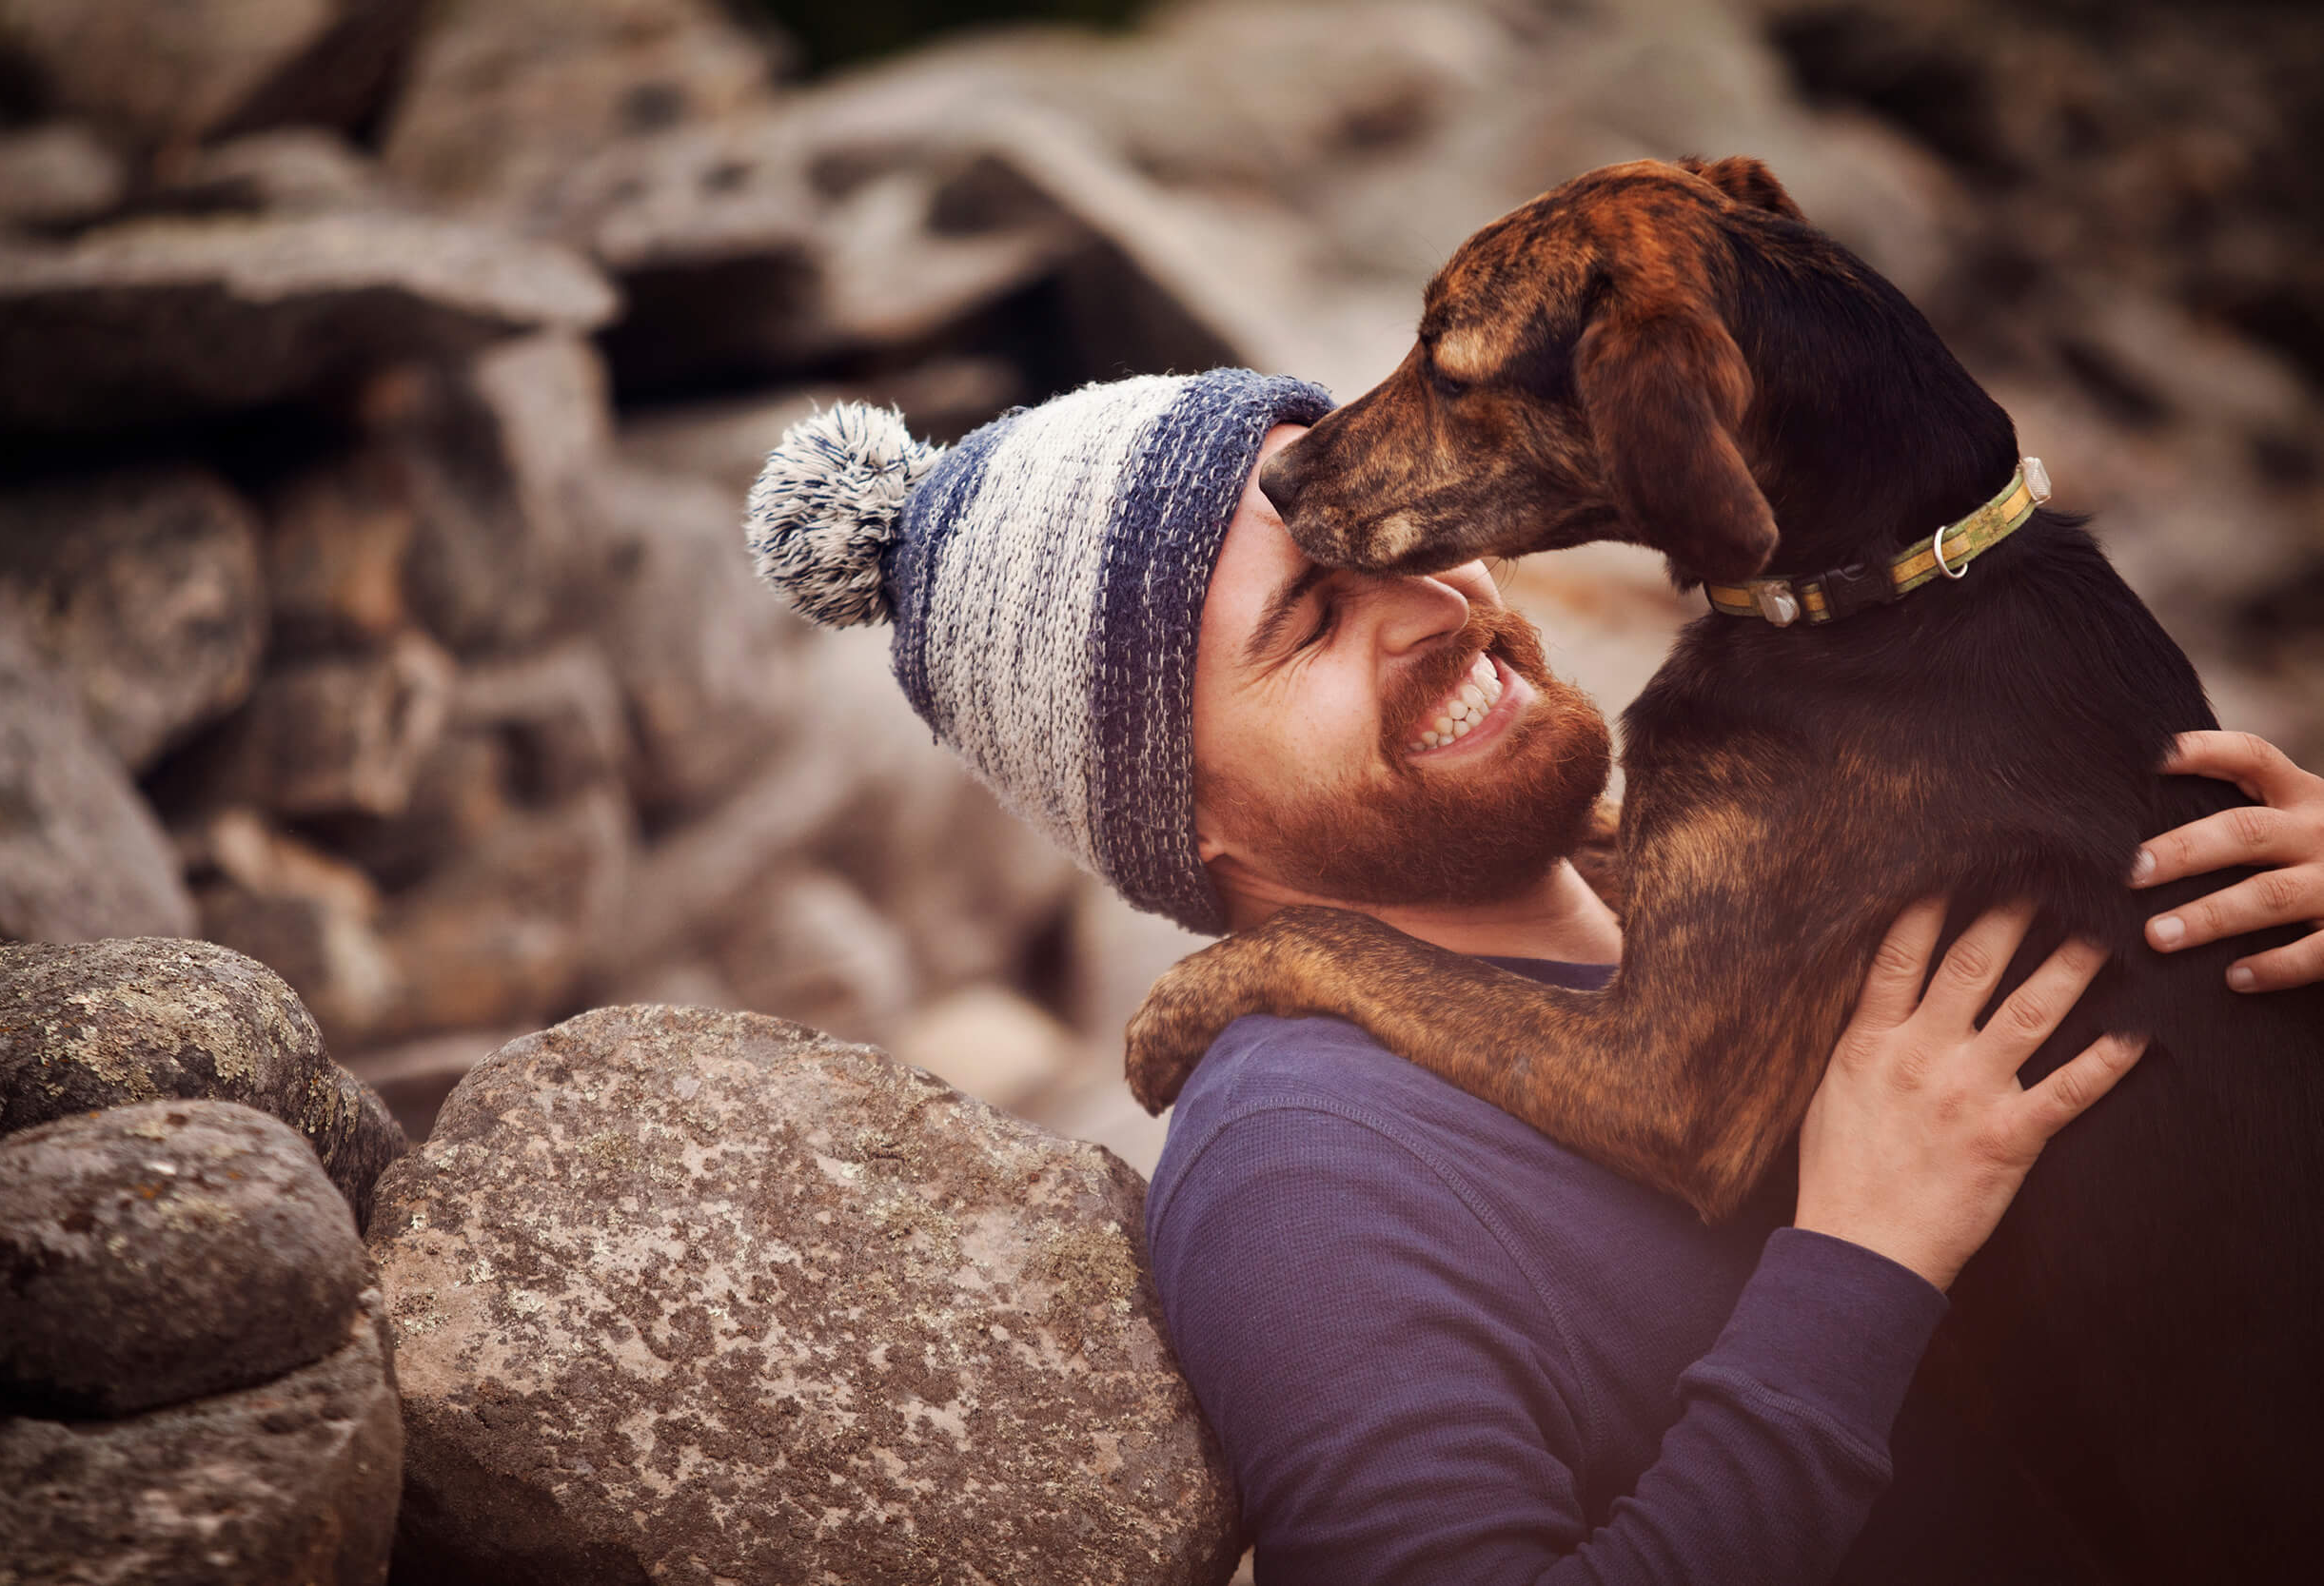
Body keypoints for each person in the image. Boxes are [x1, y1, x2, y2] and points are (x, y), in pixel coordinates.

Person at [746, 370, 2324, 1582]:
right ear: (1182, 813)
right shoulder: (1307, 1161)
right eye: (1308, 623)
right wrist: (1865, 1255)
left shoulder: (1764, 876)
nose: (1445, 603)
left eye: (1402, 541)